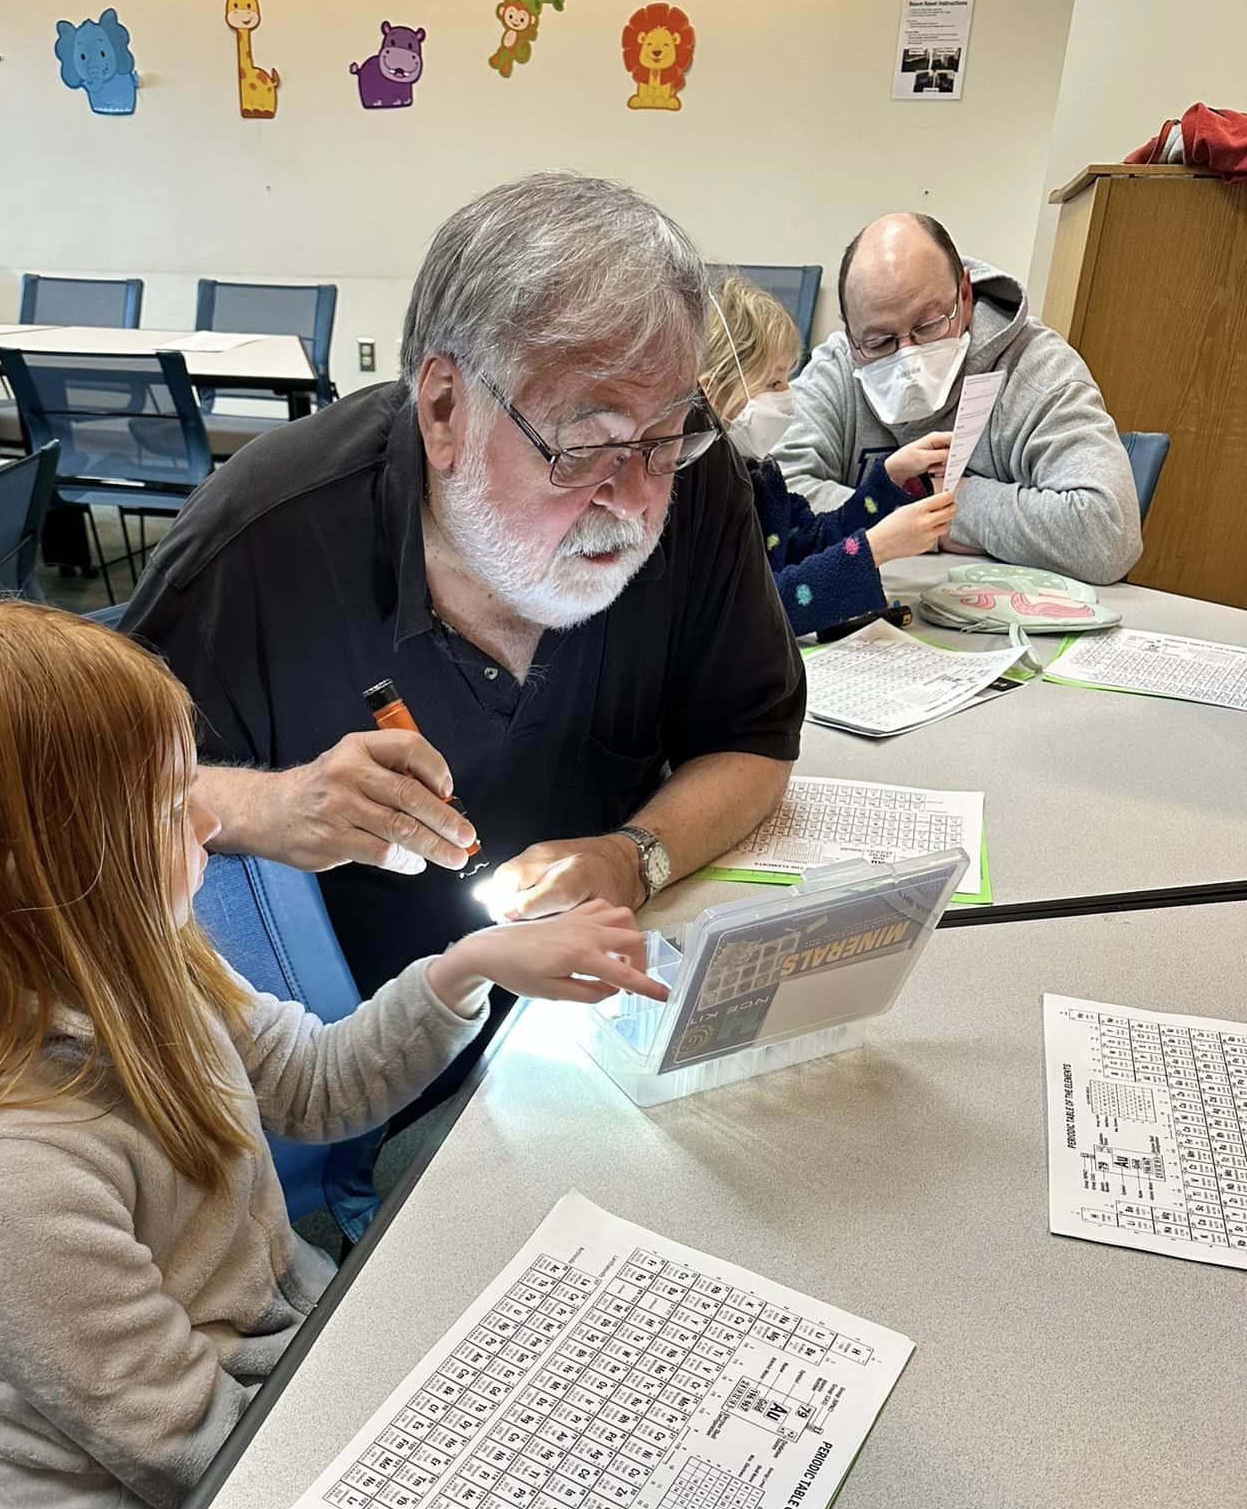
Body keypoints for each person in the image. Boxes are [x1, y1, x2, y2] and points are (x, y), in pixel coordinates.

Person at [0, 599, 666, 1509]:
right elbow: (186, 1449)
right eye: (169, 807)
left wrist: (470, 968)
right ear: (22, 868)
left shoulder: (136, 948)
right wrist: (439, 1476)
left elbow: (314, 1084)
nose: (211, 828)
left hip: (274, 1389)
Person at [122, 172, 805, 1008]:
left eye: (664, 443)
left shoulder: (696, 487)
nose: (635, 500)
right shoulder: (259, 543)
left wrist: (633, 857)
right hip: (346, 1047)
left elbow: (754, 739)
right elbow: (74, 803)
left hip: (605, 996)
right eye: (583, 448)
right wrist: (272, 807)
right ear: (444, 409)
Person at [778, 212, 1142, 587]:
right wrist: (910, 522)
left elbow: (1108, 534)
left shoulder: (1036, 368)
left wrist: (935, 516)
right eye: (879, 342)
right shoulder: (837, 365)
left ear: (965, 296)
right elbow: (774, 507)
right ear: (849, 330)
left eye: (929, 325)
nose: (908, 358)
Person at [705, 272, 958, 636]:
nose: (787, 396)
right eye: (773, 383)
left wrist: (888, 480)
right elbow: (755, 610)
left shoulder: (758, 475)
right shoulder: (697, 501)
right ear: (713, 393)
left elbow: (816, 540)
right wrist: (875, 550)